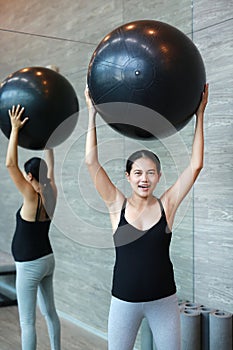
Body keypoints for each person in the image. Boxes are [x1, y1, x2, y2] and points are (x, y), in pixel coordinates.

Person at [85, 83, 209, 350]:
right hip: (123, 301)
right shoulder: (115, 205)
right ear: (128, 177)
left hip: (163, 301)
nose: (144, 178)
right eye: (138, 173)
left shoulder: (168, 205)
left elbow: (196, 164)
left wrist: (200, 114)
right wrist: (91, 114)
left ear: (159, 177)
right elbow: (91, 163)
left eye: (151, 172)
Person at [6, 104, 61, 350]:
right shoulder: (52, 194)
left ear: (29, 177)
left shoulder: (31, 196)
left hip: (29, 266)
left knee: (27, 322)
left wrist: (15, 129)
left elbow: (10, 164)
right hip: (47, 259)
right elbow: (50, 168)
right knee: (49, 312)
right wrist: (49, 141)